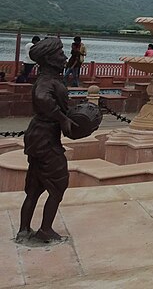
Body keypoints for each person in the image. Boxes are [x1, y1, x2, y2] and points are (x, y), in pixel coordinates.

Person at [17, 37, 74, 243]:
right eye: (60, 54)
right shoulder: (47, 82)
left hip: (38, 136)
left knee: (35, 187)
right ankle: (45, 229)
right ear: (49, 59)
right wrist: (62, 118)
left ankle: (24, 229)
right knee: (58, 185)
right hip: (45, 139)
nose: (64, 57)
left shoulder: (49, 79)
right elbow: (42, 98)